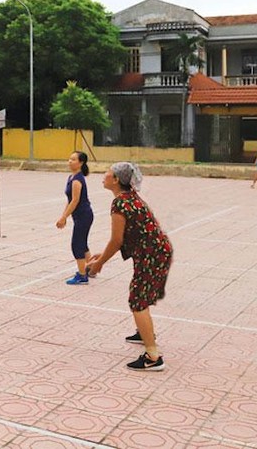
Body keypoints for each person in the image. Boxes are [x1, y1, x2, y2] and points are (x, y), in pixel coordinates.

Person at [87, 163, 172, 371]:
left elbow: (116, 241)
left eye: (108, 172)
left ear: (116, 179)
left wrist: (99, 264)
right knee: (142, 295)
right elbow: (128, 233)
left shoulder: (120, 203)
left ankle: (153, 357)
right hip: (157, 250)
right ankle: (144, 333)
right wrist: (102, 254)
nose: (104, 175)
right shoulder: (130, 197)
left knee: (137, 300)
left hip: (151, 254)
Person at [56, 151, 94, 285]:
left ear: (81, 163)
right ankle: (91, 268)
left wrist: (64, 217)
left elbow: (75, 201)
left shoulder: (77, 180)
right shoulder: (71, 177)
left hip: (84, 215)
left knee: (76, 244)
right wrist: (64, 215)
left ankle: (82, 275)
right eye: (69, 159)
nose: (70, 161)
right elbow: (70, 199)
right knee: (82, 243)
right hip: (80, 216)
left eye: (73, 159)